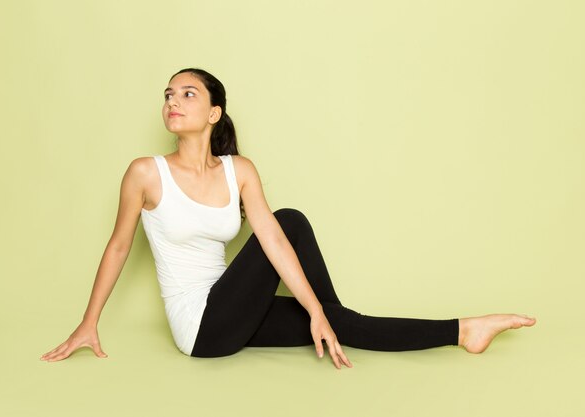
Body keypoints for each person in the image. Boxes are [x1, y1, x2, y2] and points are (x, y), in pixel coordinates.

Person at [40, 68, 536, 369]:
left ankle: (464, 331)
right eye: (168, 94)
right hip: (201, 327)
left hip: (233, 309)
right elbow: (120, 246)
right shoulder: (145, 173)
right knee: (292, 221)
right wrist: (88, 324)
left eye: (187, 93)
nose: (173, 100)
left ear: (215, 113)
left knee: (338, 323)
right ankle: (331, 312)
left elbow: (273, 245)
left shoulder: (240, 171)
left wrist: (319, 312)